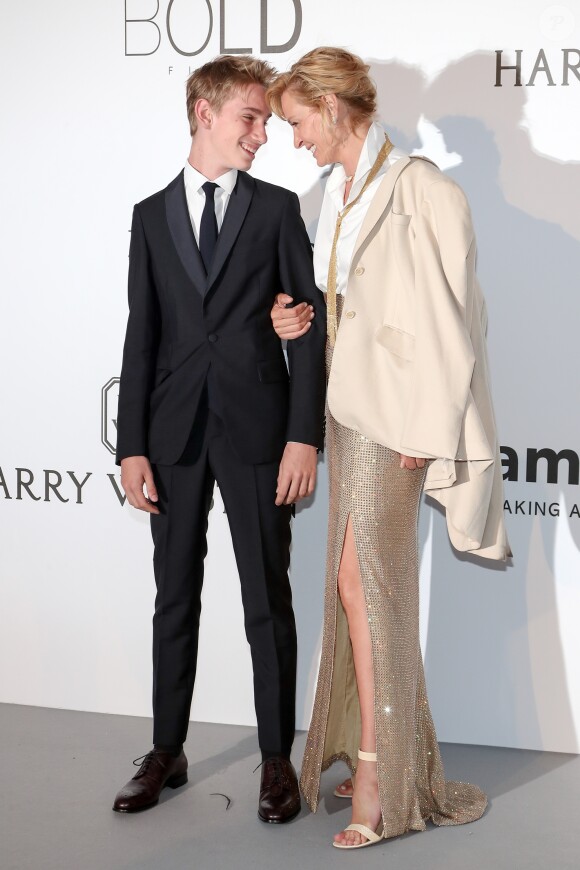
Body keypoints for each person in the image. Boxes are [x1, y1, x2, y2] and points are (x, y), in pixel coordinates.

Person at [267, 47, 511, 849]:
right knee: (360, 586)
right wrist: (293, 322)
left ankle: (383, 777)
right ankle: (382, 752)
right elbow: (334, 303)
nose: (292, 139)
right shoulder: (327, 194)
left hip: (396, 419)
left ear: (334, 107)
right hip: (343, 407)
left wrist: (432, 428)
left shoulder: (427, 190)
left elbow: (457, 319)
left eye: (298, 122)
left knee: (366, 583)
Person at [112, 55, 326, 822]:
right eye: (251, 117)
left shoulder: (275, 210)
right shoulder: (149, 214)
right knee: (175, 598)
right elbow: (143, 336)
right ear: (204, 112)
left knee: (266, 600)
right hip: (172, 437)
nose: (264, 134)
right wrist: (130, 446)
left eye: (269, 120)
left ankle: (277, 760)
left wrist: (304, 436)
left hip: (261, 433)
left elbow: (308, 324)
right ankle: (166, 751)